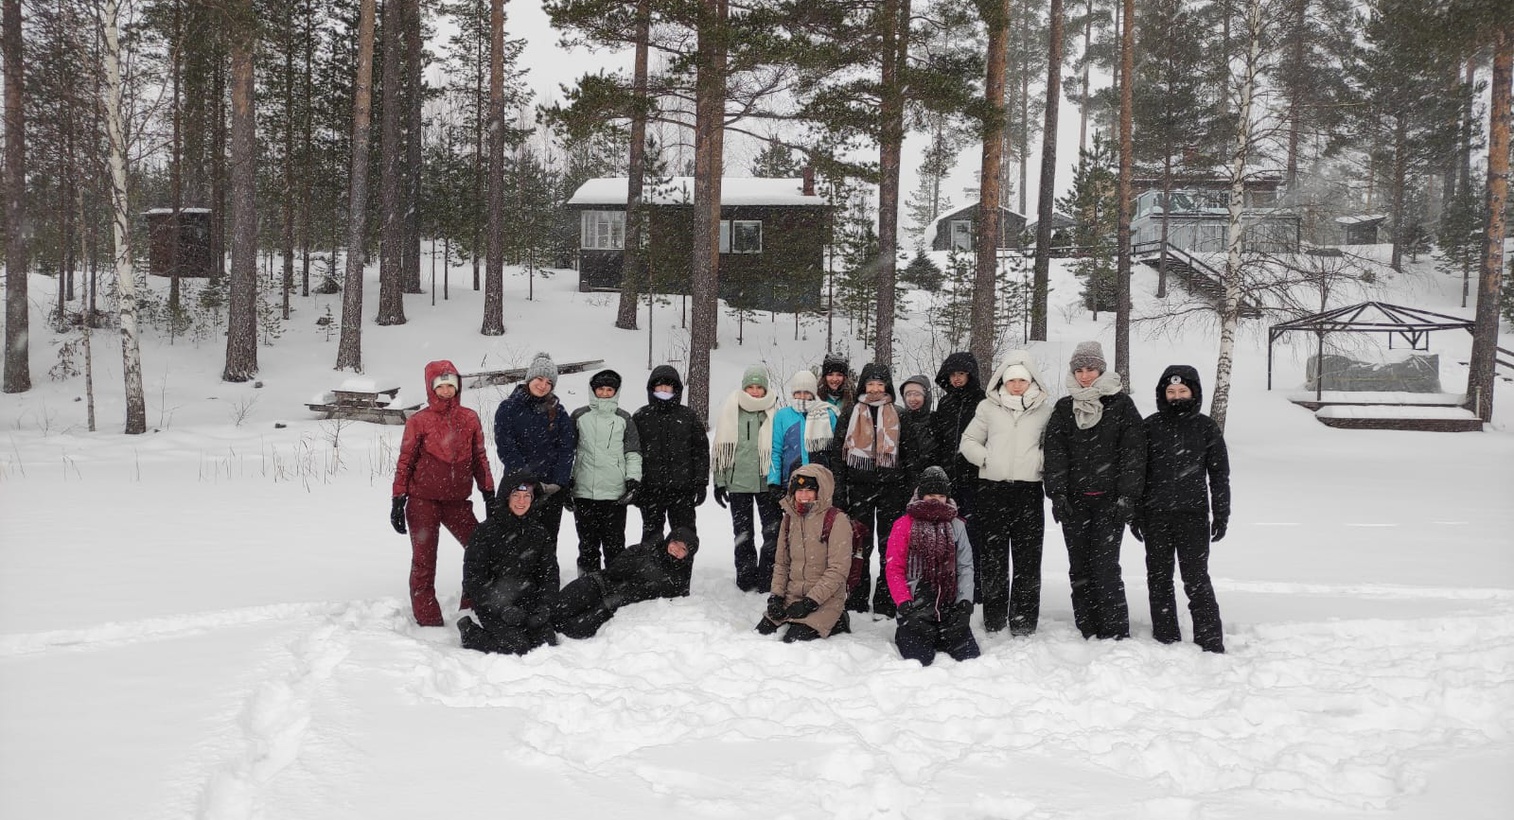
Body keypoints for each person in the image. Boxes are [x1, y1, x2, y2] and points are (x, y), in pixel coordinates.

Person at [1042, 341, 1146, 641]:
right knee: (1079, 566)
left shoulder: (1121, 405)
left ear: (1101, 369)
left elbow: (1133, 453)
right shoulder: (1065, 408)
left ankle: (1114, 629)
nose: (1085, 375)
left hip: (1109, 503)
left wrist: (1127, 496)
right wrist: (1058, 494)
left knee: (1105, 566)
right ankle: (1087, 625)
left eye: (1090, 369)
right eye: (1079, 370)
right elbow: (1055, 453)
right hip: (1075, 503)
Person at [1132, 365, 1230, 654]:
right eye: (1171, 391)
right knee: (1158, 578)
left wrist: (1221, 514)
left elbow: (1219, 476)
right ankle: (1166, 636)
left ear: (1193, 393)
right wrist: (1136, 513)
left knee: (1196, 578)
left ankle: (1210, 639)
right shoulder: (1149, 427)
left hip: (1193, 516)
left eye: (1182, 391)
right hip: (1155, 516)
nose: (1176, 396)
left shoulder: (1206, 427)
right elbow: (1137, 473)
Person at [391, 360, 495, 627]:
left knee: (481, 549)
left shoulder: (469, 418)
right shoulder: (419, 421)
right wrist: (398, 499)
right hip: (422, 501)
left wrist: (488, 492)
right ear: (431, 388)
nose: (447, 390)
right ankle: (428, 618)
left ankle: (472, 605)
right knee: (424, 560)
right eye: (441, 386)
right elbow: (405, 462)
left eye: (451, 385)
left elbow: (479, 457)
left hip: (457, 502)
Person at [958, 351, 1053, 635]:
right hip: (993, 489)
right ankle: (995, 618)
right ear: (1003, 381)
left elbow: (1053, 446)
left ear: (1031, 381)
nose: (1017, 385)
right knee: (993, 558)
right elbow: (969, 440)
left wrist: (1040, 462)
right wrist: (987, 459)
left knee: (1028, 559)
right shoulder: (988, 407)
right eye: (1011, 380)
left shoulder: (1044, 410)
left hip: (1028, 491)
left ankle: (1023, 620)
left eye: (1022, 380)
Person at [827, 362, 931, 618]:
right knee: (859, 544)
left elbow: (911, 457)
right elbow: (837, 456)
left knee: (890, 547)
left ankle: (886, 599)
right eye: (870, 384)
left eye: (879, 384)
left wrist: (910, 490)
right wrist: (839, 491)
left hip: (892, 490)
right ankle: (857, 596)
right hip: (858, 489)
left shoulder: (900, 414)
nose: (874, 389)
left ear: (887, 387)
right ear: (863, 386)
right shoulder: (850, 413)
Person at [884, 467, 980, 665]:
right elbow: (894, 569)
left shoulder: (957, 525)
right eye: (931, 495)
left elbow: (965, 567)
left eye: (941, 496)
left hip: (949, 610)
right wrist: (905, 605)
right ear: (921, 495)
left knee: (969, 657)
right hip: (914, 610)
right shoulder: (904, 525)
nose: (936, 501)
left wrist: (964, 605)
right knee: (920, 659)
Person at [457, 475, 560, 655]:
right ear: (506, 498)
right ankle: (470, 632)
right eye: (516, 496)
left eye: (527, 496)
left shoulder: (539, 533)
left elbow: (549, 575)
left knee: (546, 642)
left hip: (528, 601)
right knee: (517, 646)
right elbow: (473, 579)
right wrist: (502, 608)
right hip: (493, 604)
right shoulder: (485, 532)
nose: (522, 501)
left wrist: (545, 606)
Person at [493, 352, 576, 568]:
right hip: (519, 487)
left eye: (549, 382)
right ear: (529, 378)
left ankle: (545, 582)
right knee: (515, 540)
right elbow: (506, 447)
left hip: (550, 490)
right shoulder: (509, 408)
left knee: (547, 541)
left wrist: (558, 482)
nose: (543, 385)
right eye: (539, 379)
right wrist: (529, 480)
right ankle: (514, 581)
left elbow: (566, 449)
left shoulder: (558, 411)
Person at [755, 464, 853, 642]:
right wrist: (776, 597)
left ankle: (838, 619)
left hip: (825, 599)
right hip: (792, 597)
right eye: (799, 491)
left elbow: (838, 570)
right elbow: (782, 563)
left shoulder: (837, 520)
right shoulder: (789, 519)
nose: (804, 496)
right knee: (762, 633)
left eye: (809, 490)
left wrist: (810, 602)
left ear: (820, 491)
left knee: (793, 640)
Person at [632, 365, 710, 584]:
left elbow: (701, 452)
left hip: (682, 491)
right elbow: (632, 453)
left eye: (669, 386)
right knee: (651, 537)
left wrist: (701, 483)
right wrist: (635, 485)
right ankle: (649, 580)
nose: (664, 390)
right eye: (659, 386)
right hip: (650, 490)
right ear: (651, 388)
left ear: (676, 389)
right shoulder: (641, 416)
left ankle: (680, 580)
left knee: (684, 536)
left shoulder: (688, 416)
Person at [553, 527, 700, 640]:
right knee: (557, 610)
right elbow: (614, 570)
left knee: (575, 629)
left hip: (610, 605)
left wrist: (613, 601)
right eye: (675, 543)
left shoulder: (676, 580)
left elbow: (643, 596)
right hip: (597, 584)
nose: (676, 549)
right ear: (669, 540)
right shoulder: (646, 549)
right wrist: (641, 562)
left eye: (683, 549)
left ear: (688, 555)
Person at [711, 365, 781, 592]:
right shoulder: (732, 409)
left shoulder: (775, 412)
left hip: (767, 482)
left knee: (772, 532)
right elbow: (720, 447)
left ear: (765, 389)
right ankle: (746, 576)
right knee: (743, 533)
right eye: (750, 387)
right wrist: (719, 482)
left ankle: (768, 577)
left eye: (759, 387)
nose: (755, 391)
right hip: (738, 482)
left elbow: (781, 447)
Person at [569, 369, 642, 577]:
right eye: (600, 389)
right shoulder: (579, 416)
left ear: (616, 392)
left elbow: (633, 452)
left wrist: (633, 479)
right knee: (587, 545)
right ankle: (587, 584)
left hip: (614, 494)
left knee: (615, 545)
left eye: (609, 389)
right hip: (584, 492)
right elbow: (567, 452)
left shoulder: (624, 418)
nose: (604, 393)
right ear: (593, 390)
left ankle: (615, 585)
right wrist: (567, 480)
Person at [930, 352, 988, 599]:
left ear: (970, 375)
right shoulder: (945, 403)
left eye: (961, 374)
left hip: (975, 479)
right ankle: (949, 583)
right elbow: (940, 440)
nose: (956, 379)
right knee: (948, 533)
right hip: (948, 480)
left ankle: (976, 586)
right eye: (953, 374)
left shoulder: (983, 402)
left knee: (974, 534)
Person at [817, 353, 854, 418]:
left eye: (839, 375)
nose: (834, 379)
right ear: (824, 377)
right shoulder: (816, 398)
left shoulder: (853, 398)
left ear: (845, 377)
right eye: (830, 374)